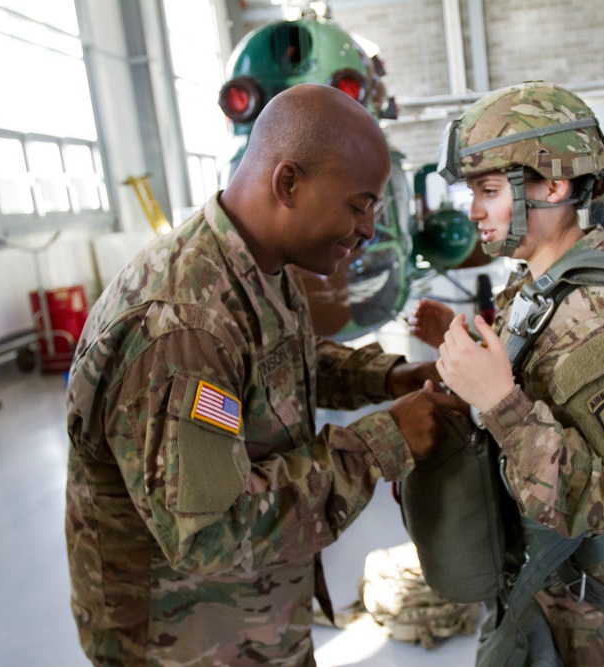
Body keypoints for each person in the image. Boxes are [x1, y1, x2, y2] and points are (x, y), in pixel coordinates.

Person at [65, 83, 466, 666]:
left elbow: (283, 363)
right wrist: (385, 440)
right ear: (288, 183)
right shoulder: (183, 326)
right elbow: (210, 532)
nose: (368, 229)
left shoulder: (261, 264)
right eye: (358, 206)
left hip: (253, 615)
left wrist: (390, 378)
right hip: (185, 638)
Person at [410, 81, 604, 666]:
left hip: (600, 622)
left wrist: (501, 404)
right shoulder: (538, 287)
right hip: (548, 587)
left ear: (554, 185)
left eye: (489, 190)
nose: (475, 211)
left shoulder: (596, 319)